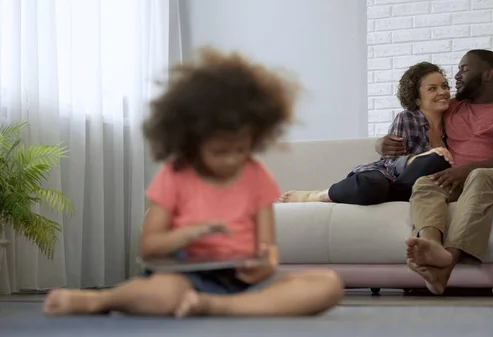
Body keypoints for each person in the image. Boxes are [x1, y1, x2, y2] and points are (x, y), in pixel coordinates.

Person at [43, 46, 343, 317]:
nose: (232, 160)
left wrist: (263, 263)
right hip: (183, 277)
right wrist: (190, 233)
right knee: (164, 294)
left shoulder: (257, 175)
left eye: (241, 149)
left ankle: (216, 306)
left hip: (240, 280)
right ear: (191, 140)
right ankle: (101, 301)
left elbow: (267, 247)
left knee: (326, 284)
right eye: (219, 152)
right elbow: (149, 248)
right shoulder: (175, 175)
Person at [382, 50, 493, 295]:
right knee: (426, 182)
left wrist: (466, 169)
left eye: (464, 69)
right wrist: (381, 144)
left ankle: (448, 260)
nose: (456, 76)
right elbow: (415, 113)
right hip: (462, 181)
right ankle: (432, 251)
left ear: (488, 74)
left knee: (480, 176)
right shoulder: (453, 108)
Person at [279, 62, 454, 206]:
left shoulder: (455, 123)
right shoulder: (407, 118)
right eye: (432, 88)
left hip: (415, 187)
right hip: (386, 177)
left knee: (437, 161)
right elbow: (391, 163)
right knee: (372, 186)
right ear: (417, 98)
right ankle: (315, 196)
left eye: (444, 86)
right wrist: (424, 156)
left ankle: (390, 196)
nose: (442, 92)